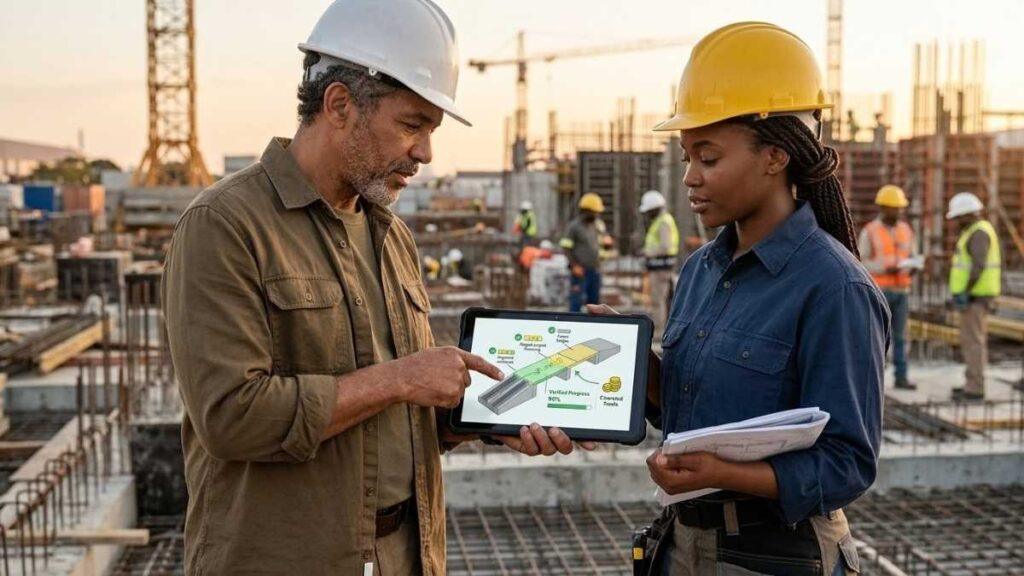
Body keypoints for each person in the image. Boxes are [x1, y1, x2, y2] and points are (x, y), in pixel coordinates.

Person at [162, 2, 584, 574]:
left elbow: (398, 412)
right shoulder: (225, 225)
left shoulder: (391, 235)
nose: (425, 153)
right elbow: (232, 417)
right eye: (412, 125)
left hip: (405, 554)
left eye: (430, 130)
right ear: (339, 105)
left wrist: (484, 420)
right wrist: (399, 378)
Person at [591, 22, 887, 575]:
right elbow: (690, 410)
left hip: (776, 554)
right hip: (684, 544)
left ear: (775, 156)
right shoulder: (703, 269)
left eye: (708, 157)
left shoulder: (834, 287)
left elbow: (847, 464)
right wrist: (638, 368)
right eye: (686, 158)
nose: (689, 178)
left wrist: (722, 474)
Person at [858, 184, 919, 390]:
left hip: (902, 291)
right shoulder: (870, 231)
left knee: (901, 337)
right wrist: (885, 268)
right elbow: (860, 261)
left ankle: (901, 377)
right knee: (876, 338)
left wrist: (913, 267)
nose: (898, 212)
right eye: (894, 208)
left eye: (899, 208)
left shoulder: (906, 230)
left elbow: (912, 256)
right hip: (879, 292)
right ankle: (874, 380)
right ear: (883, 207)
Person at [946, 191, 1002, 401]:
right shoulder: (976, 231)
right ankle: (972, 382)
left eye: (958, 218)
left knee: (974, 343)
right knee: (970, 342)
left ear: (968, 214)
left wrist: (966, 293)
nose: (957, 222)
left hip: (976, 298)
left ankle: (975, 389)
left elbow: (978, 266)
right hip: (974, 296)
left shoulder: (978, 233)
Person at [640, 190, 680, 336]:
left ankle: (659, 330)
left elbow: (665, 246)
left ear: (655, 208)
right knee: (664, 298)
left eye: (649, 211)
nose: (647, 214)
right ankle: (663, 328)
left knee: (658, 299)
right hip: (660, 267)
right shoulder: (661, 221)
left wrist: (648, 252)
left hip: (660, 268)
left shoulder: (663, 222)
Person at [560, 192, 609, 312]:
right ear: (586, 211)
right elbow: (566, 248)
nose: (597, 214)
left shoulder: (598, 226)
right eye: (594, 211)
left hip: (595, 270)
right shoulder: (574, 227)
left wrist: (607, 246)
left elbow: (603, 245)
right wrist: (574, 265)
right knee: (576, 301)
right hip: (580, 272)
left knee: (594, 304)